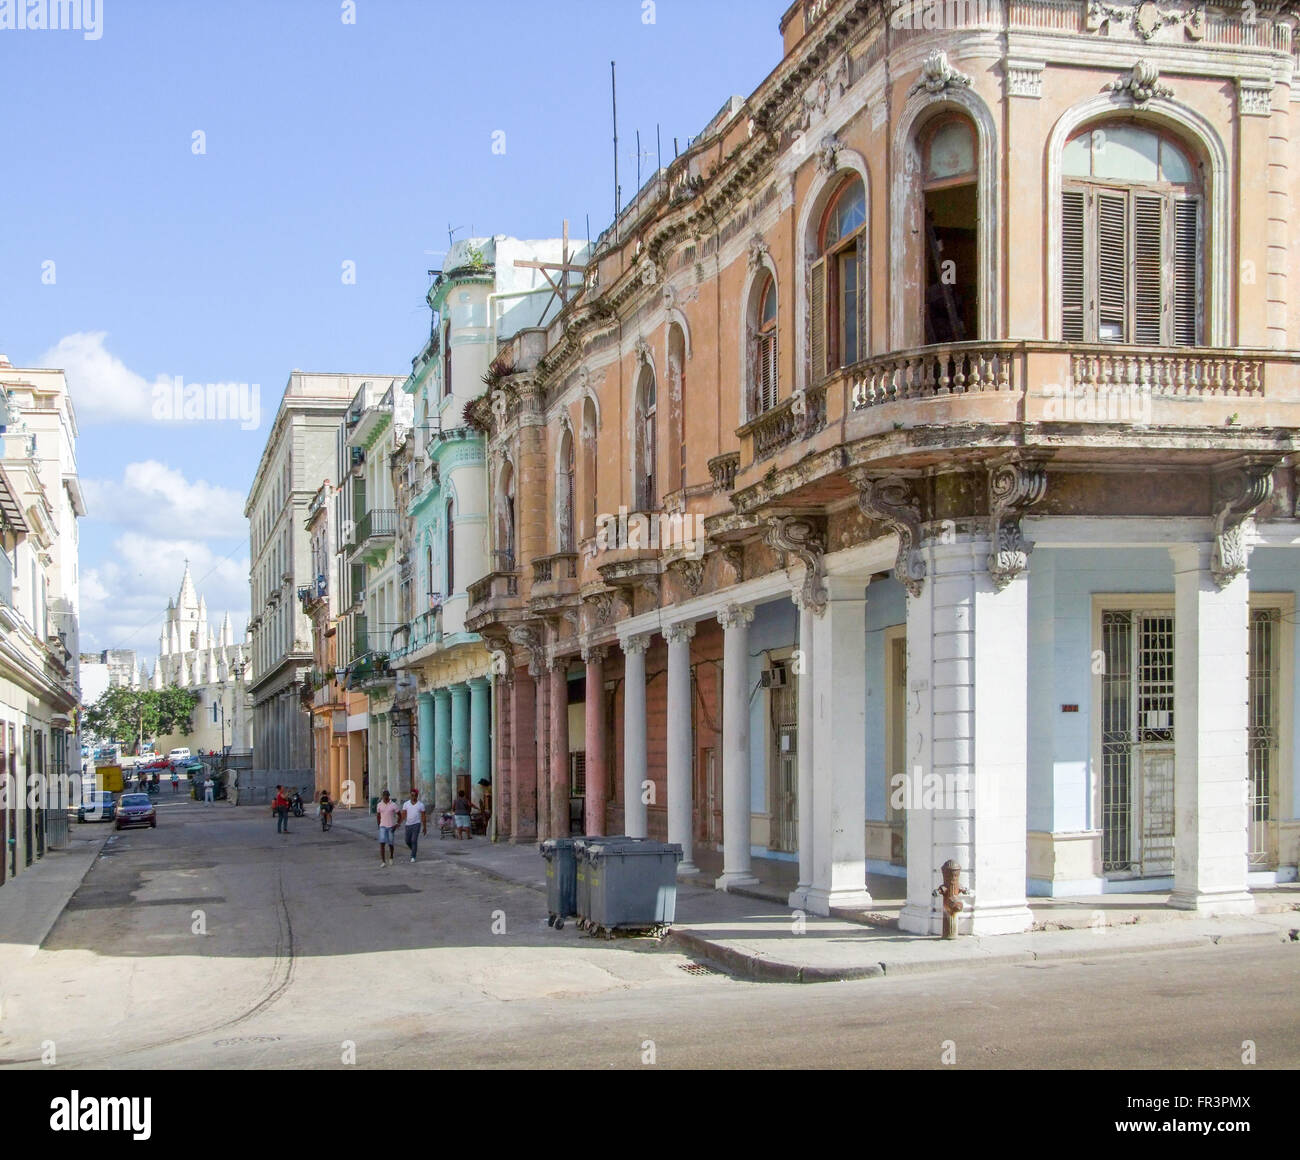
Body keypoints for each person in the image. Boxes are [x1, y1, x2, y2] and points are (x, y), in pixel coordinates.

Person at [399, 787, 427, 863]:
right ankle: (414, 849)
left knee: (414, 840)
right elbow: (403, 815)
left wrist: (424, 827)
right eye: (412, 795)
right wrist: (399, 823)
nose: (413, 797)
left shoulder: (421, 805)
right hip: (408, 825)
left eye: (415, 795)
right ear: (410, 795)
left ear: (417, 796)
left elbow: (423, 816)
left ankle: (413, 856)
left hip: (416, 824)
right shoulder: (406, 804)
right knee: (407, 841)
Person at [375, 790, 398, 867]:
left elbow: (399, 814)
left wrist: (397, 824)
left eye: (386, 796)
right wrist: (379, 824)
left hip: (391, 826)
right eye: (383, 796)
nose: (385, 797)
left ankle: (391, 856)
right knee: (382, 843)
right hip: (382, 826)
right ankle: (383, 861)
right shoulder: (379, 805)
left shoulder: (393, 805)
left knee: (391, 843)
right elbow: (378, 815)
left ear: (388, 796)